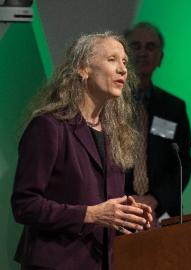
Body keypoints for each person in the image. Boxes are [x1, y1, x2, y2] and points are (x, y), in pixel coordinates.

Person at [11, 32, 152, 270]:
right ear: (82, 69)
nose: (123, 69)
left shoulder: (113, 134)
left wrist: (129, 215)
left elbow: (103, 206)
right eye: (112, 60)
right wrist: (90, 214)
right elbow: (25, 205)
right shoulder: (49, 126)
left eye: (125, 62)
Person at [124, 22, 191, 224]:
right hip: (117, 212)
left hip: (160, 214)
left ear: (160, 58)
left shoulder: (174, 108)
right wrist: (128, 204)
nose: (143, 53)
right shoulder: (108, 104)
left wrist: (154, 200)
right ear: (124, 56)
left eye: (150, 47)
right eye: (136, 46)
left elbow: (182, 163)